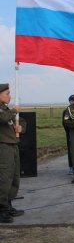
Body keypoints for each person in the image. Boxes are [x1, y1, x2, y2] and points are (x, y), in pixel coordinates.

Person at [0, 83, 24, 223]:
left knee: (14, 177)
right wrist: (14, 111)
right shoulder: (6, 111)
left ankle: (8, 205)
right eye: (7, 93)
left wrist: (17, 128)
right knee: (4, 178)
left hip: (12, 146)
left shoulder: (5, 109)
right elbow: (3, 118)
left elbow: (8, 122)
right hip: (3, 148)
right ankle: (2, 209)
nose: (9, 96)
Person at [62, 94, 74, 175]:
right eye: (71, 101)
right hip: (70, 134)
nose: (72, 102)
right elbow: (65, 123)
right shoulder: (66, 111)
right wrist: (69, 132)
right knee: (71, 151)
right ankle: (71, 167)